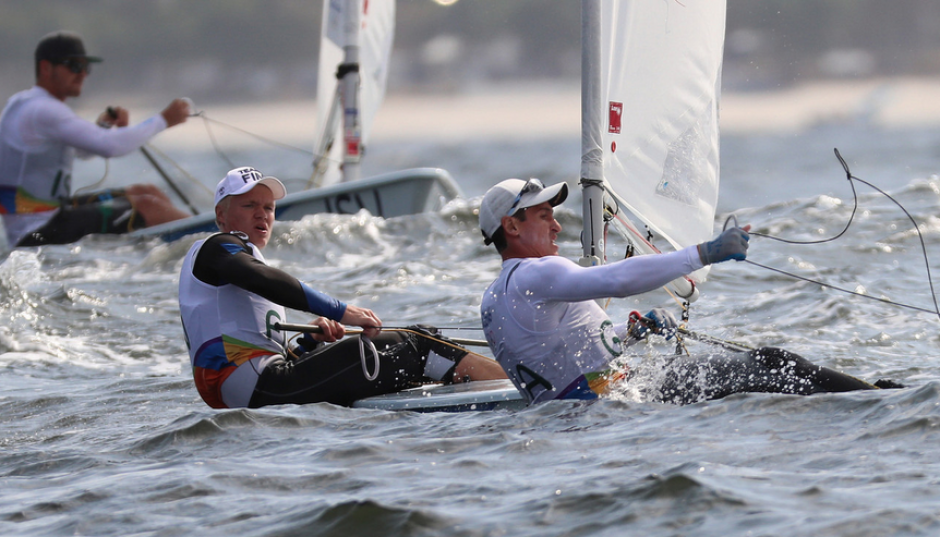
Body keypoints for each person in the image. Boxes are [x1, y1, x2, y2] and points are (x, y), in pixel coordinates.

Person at [478, 178, 888, 405]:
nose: (555, 226)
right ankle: (877, 404)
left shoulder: (495, 295)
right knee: (773, 362)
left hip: (596, 404)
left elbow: (557, 353)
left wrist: (628, 331)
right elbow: (617, 281)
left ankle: (867, 398)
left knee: (766, 372)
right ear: (511, 227)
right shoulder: (535, 274)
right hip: (618, 401)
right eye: (544, 215)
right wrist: (704, 253)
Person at [179, 166, 506, 409]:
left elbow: (257, 348)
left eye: (268, 207)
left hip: (253, 390)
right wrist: (342, 311)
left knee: (413, 355)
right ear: (222, 215)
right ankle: (515, 389)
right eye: (249, 205)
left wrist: (308, 341)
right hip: (259, 389)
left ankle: (482, 387)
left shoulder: (232, 268)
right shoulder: (216, 248)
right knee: (419, 344)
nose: (262, 214)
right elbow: (264, 280)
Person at [0, 31, 191, 248]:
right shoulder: (44, 110)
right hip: (36, 232)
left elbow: (80, 150)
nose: (82, 74)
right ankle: (211, 241)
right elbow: (110, 147)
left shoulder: (22, 103)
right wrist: (164, 120)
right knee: (148, 206)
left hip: (46, 214)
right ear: (45, 68)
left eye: (85, 67)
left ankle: (173, 246)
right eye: (73, 65)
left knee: (146, 192)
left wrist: (103, 127)